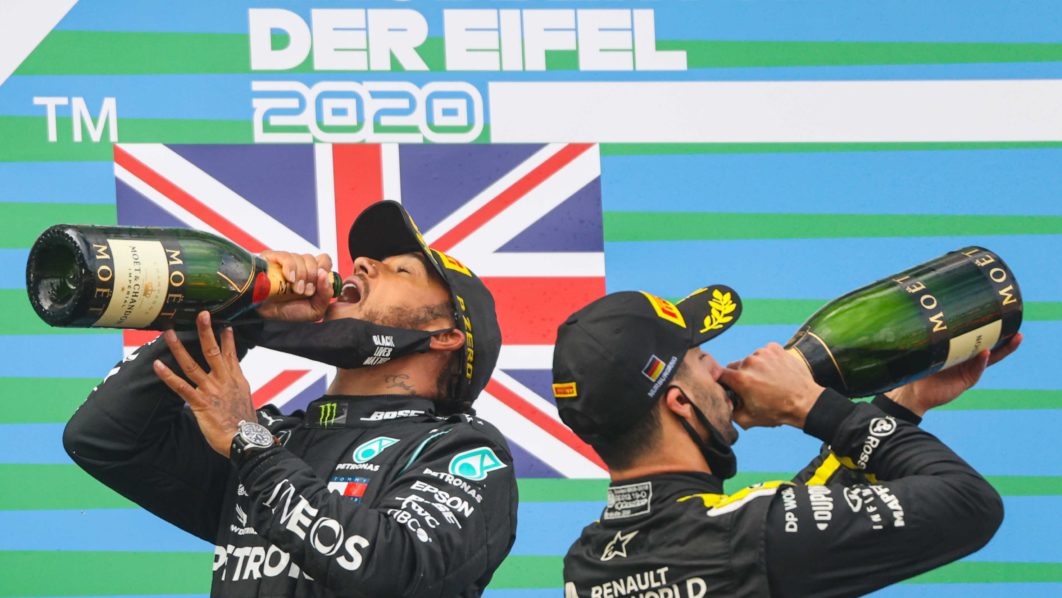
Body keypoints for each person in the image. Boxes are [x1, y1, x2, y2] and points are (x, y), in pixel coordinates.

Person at [63, 201, 518, 597]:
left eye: (401, 270)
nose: (362, 264)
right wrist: (244, 311)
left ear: (444, 336)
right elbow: (103, 439)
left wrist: (251, 446)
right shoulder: (277, 439)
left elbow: (392, 567)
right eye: (369, 261)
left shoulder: (462, 452)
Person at [551, 285, 1021, 597]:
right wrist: (810, 404)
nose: (721, 370)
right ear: (680, 402)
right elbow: (970, 503)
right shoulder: (736, 537)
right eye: (701, 358)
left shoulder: (588, 563)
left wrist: (903, 403)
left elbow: (785, 522)